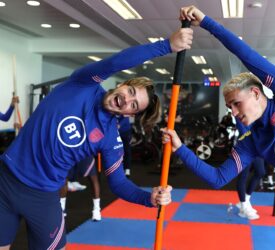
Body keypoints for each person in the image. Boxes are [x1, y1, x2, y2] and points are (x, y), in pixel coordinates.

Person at [162, 6, 275, 249]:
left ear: (255, 92)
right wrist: (180, 149)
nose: (235, 113)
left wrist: (207, 23)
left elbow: (248, 56)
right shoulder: (251, 141)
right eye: (230, 107)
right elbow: (218, 178)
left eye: (237, 104)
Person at [0, 27, 193, 250]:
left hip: (43, 196)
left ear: (130, 115)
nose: (126, 100)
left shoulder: (111, 139)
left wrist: (148, 198)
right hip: (5, 180)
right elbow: (115, 63)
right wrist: (166, 46)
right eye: (130, 91)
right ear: (122, 84)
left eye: (134, 105)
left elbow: (118, 183)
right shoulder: (84, 83)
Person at [60, 156, 102, 221]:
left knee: (93, 178)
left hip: (84, 152)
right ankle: (61, 209)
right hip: (70, 153)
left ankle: (96, 209)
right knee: (64, 178)